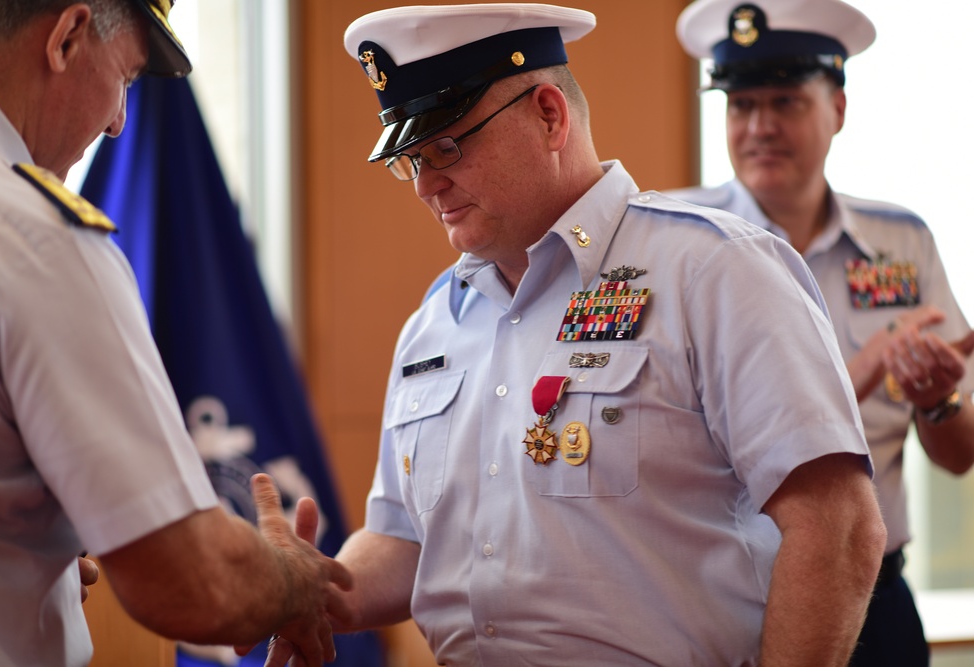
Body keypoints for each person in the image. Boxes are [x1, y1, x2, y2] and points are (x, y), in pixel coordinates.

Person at [268, 3, 885, 665]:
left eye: (447, 145)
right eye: (410, 158)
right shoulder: (436, 321)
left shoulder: (712, 270)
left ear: (549, 115)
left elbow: (838, 526)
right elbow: (405, 540)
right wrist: (304, 587)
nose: (426, 184)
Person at [0, 2, 352, 665]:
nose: (120, 122)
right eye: (125, 76)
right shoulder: (37, 241)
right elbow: (190, 580)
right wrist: (294, 580)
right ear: (66, 38)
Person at [671, 0, 974, 664]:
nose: (760, 127)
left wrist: (937, 398)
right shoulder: (678, 241)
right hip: (723, 595)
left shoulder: (903, 241)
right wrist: (860, 371)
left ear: (838, 107)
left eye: (786, 101)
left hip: (875, 590)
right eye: (741, 104)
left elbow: (959, 454)